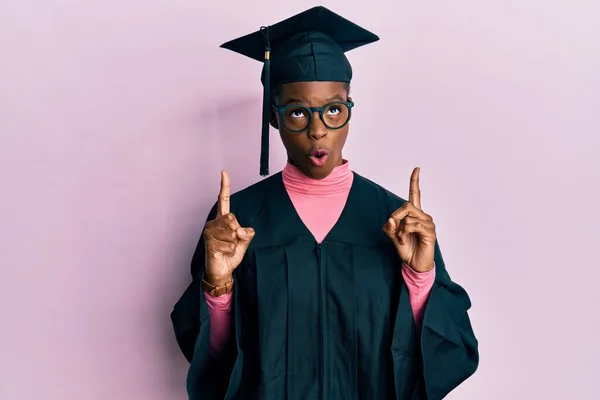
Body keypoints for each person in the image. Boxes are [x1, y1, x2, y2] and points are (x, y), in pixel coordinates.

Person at [171, 6, 479, 400]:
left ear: (350, 111)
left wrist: (420, 280)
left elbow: (443, 355)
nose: (318, 130)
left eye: (334, 110)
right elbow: (213, 360)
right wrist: (218, 287)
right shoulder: (235, 222)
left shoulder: (398, 221)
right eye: (298, 112)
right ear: (274, 117)